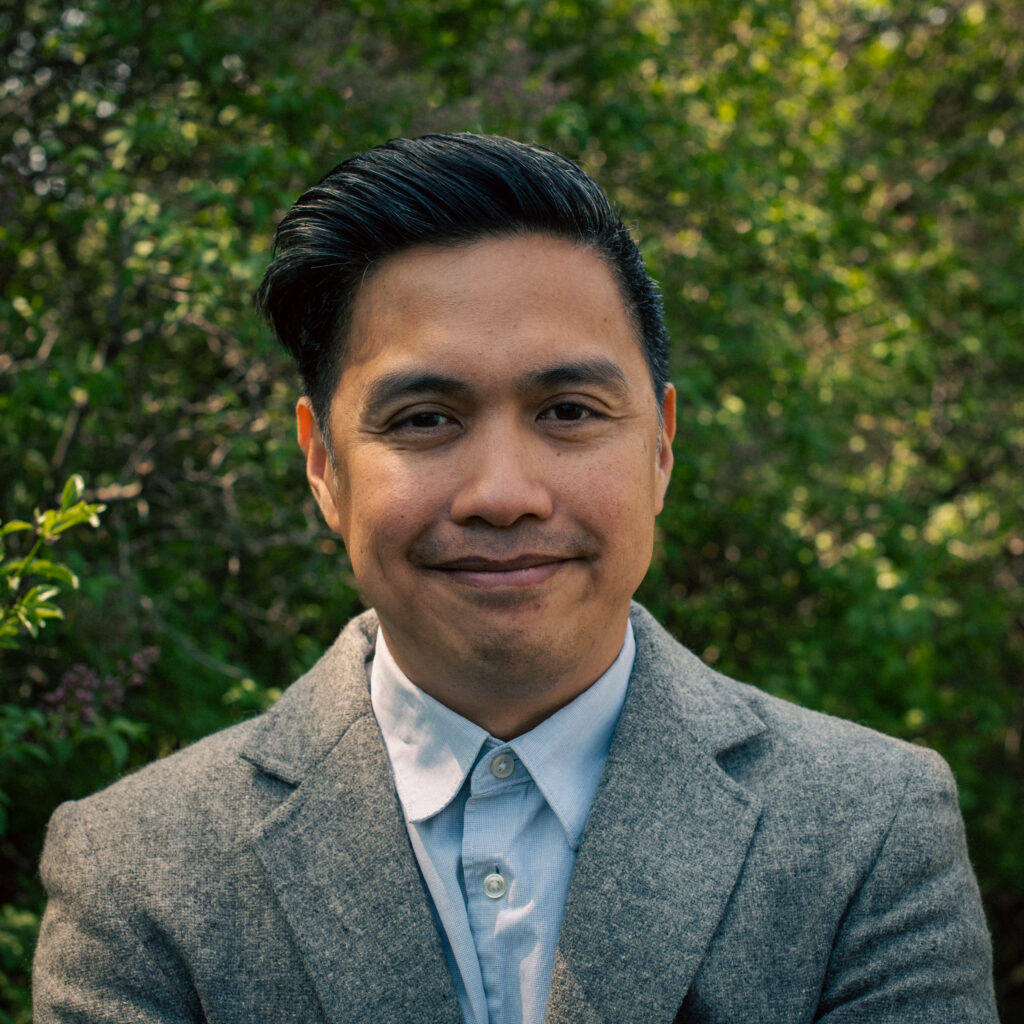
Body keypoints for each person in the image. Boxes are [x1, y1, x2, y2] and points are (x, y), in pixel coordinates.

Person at [33, 133, 997, 1023]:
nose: (503, 494)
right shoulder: (138, 875)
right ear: (323, 465)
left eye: (569, 411)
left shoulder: (869, 832)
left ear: (661, 446)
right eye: (425, 420)